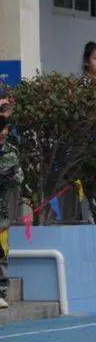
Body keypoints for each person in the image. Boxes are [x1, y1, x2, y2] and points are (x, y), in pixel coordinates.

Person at [0, 117, 23, 309]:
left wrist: (11, 178)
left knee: (1, 251)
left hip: (2, 211)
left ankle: (0, 292)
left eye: (5, 131)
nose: (2, 134)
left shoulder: (11, 151)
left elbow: (18, 177)